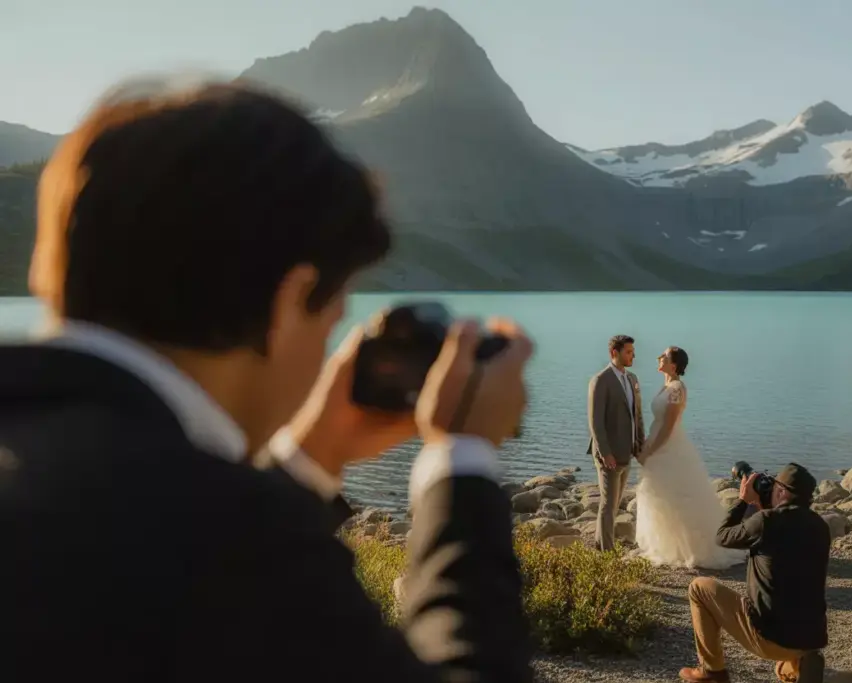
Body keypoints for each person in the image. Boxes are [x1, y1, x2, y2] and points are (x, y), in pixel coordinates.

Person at [0, 76, 534, 682]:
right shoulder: (225, 544)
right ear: (290, 303)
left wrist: (310, 457)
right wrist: (461, 461)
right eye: (331, 320)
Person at [679, 463, 831, 683]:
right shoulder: (820, 527)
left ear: (781, 491)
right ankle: (801, 664)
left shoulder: (765, 522)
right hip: (811, 638)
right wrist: (763, 509)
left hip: (769, 637)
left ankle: (711, 672)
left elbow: (721, 536)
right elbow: (783, 537)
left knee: (699, 588)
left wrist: (743, 501)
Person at [634, 347, 745, 570]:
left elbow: (669, 425)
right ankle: (667, 545)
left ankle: (691, 547)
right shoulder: (666, 386)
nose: (659, 357)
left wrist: (650, 450)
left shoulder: (677, 388)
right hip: (658, 444)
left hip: (668, 447)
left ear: (673, 365)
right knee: (660, 495)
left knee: (676, 496)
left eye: (664, 356)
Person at [586, 334, 645, 550]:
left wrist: (640, 445)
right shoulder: (600, 381)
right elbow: (595, 422)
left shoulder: (632, 379)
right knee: (608, 505)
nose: (633, 356)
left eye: (632, 352)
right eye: (628, 352)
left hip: (626, 452)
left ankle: (602, 545)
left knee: (615, 503)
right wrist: (605, 452)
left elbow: (637, 416)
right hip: (608, 454)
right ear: (614, 353)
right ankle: (606, 554)